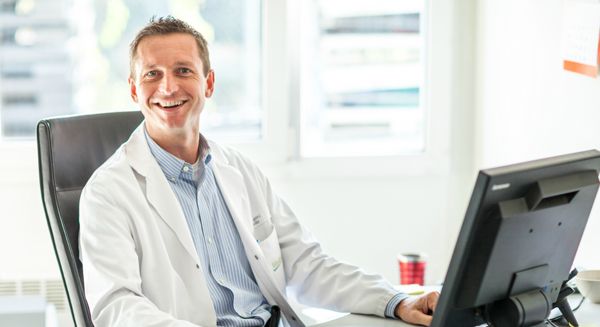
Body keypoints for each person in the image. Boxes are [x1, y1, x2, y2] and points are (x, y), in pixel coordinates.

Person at [79, 16, 439, 327]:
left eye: (183, 70)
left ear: (209, 83)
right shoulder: (109, 191)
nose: (168, 87)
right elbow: (116, 307)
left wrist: (396, 301)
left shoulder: (239, 170)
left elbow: (307, 265)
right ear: (133, 90)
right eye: (152, 74)